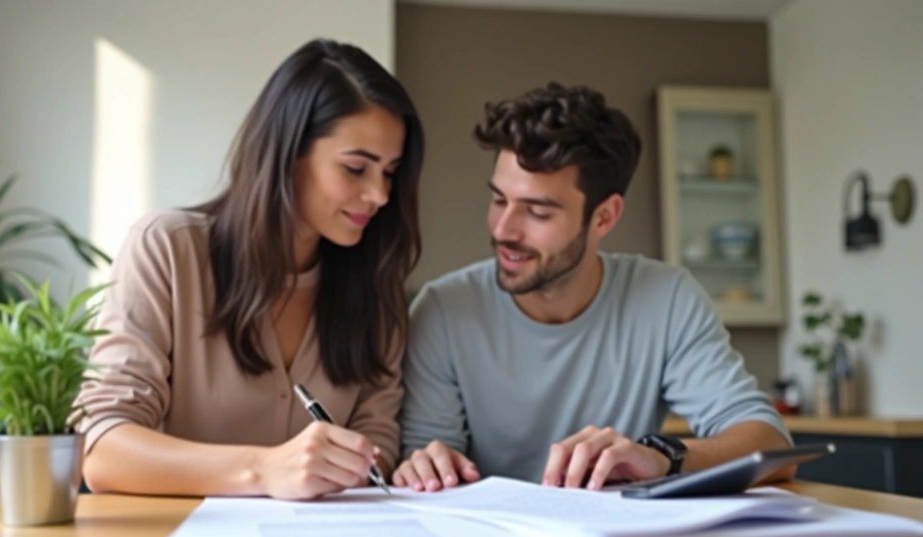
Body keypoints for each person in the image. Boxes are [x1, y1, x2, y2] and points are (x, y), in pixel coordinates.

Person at [395, 83, 791, 492]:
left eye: (536, 211)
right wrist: (425, 464)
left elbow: (771, 443)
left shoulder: (666, 299)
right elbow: (426, 456)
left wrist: (661, 458)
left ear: (604, 217)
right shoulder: (442, 311)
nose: (502, 229)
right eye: (499, 200)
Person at [75, 39, 423, 500]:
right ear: (287, 154)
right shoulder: (168, 249)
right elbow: (102, 451)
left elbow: (377, 441)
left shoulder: (377, 288)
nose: (380, 195)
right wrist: (262, 470)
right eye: (357, 168)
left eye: (390, 172)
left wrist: (360, 461)